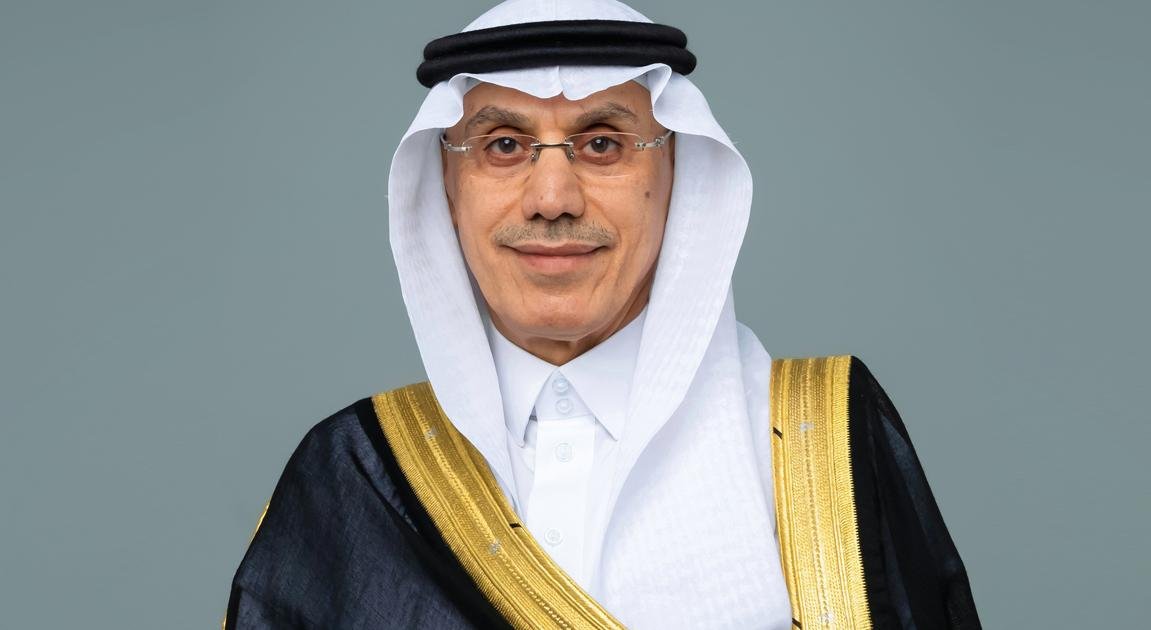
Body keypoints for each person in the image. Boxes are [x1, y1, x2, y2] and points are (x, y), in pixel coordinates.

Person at [224, 0, 981, 628]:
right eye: (504, 145)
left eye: (601, 144)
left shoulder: (826, 441)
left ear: (679, 178)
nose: (552, 199)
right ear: (447, 190)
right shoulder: (351, 477)